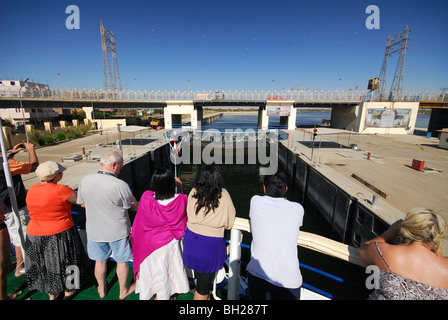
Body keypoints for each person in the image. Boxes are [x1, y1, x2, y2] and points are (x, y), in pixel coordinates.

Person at [24, 161, 92, 300]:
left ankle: (52, 293)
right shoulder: (61, 189)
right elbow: (79, 200)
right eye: (60, 172)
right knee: (68, 260)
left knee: (44, 263)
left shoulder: (32, 188)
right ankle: (69, 290)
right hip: (59, 232)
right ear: (56, 176)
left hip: (35, 233)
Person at [77, 150, 137, 299]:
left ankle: (102, 288)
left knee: (100, 260)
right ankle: (123, 291)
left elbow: (82, 204)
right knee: (122, 261)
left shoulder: (85, 180)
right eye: (121, 166)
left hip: (94, 230)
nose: (121, 169)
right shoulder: (119, 184)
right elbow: (132, 205)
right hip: (117, 231)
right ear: (114, 165)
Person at [358, 208, 448, 300]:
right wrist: (436, 247)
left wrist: (389, 233)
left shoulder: (385, 251)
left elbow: (363, 249)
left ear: (407, 228)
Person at [130, 168, 189, 300]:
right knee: (168, 274)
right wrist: (179, 187)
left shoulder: (146, 198)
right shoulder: (181, 199)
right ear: (171, 184)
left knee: (155, 275)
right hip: (170, 245)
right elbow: (183, 204)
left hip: (149, 245)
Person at [246, 170, 304, 300]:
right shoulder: (298, 209)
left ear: (264, 188)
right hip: (289, 281)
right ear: (286, 189)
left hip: (258, 276)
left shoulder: (255, 202)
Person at [182, 165, 236, 300]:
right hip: (211, 245)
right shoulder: (223, 194)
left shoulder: (194, 192)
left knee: (200, 281)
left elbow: (188, 212)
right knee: (202, 288)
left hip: (191, 240)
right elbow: (229, 221)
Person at [0, 142, 38, 277]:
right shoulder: (6, 164)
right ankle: (20, 266)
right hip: (13, 206)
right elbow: (34, 167)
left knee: (14, 234)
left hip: (4, 206)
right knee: (20, 236)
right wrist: (31, 151)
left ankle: (18, 264)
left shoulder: (6, 162)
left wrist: (11, 154)